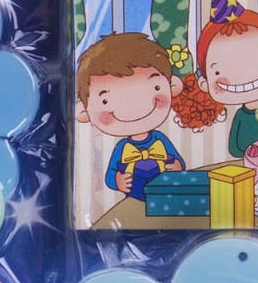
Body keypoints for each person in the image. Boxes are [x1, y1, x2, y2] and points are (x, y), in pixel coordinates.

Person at [76, 32, 185, 194]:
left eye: (155, 87)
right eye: (105, 101)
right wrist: (117, 181)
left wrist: (177, 166)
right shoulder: (122, 147)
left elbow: (178, 160)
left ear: (172, 86)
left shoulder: (159, 139)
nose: (134, 106)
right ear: (84, 112)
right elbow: (110, 174)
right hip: (134, 197)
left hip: (164, 193)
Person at [196, 10, 258, 158]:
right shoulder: (241, 115)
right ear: (204, 83)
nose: (248, 74)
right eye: (220, 70)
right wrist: (251, 153)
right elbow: (234, 148)